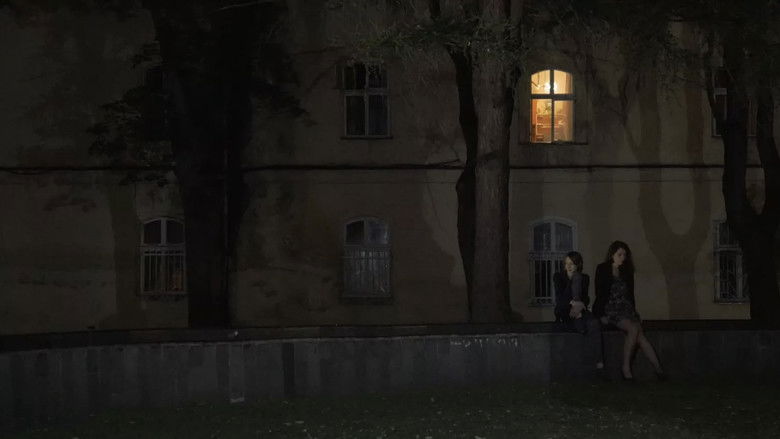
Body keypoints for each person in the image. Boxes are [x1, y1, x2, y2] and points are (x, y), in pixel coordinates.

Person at [593, 241, 665, 381]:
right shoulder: (602, 268)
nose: (623, 257)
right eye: (619, 254)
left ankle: (659, 370)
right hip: (611, 308)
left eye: (625, 255)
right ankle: (626, 369)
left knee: (640, 336)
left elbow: (630, 295)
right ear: (612, 254)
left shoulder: (626, 270)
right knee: (633, 329)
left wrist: (635, 313)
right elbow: (599, 293)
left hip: (626, 308)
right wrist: (601, 315)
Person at [553, 251, 604, 371]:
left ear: (578, 264)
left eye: (572, 263)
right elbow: (560, 299)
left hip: (580, 309)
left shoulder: (584, 278)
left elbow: (585, 298)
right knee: (580, 322)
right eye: (566, 263)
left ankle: (599, 360)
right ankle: (579, 323)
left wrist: (579, 305)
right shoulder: (558, 277)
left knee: (594, 323)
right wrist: (574, 301)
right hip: (565, 310)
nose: (568, 266)